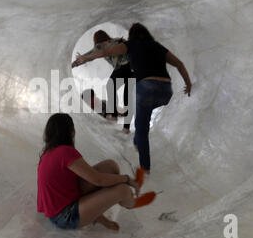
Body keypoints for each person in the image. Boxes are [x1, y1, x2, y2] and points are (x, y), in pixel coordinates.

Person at [72, 23, 192, 174]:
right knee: (131, 97)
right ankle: (131, 134)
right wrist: (188, 84)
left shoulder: (127, 44)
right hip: (165, 91)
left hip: (142, 83)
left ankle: (145, 169)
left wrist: (82, 59)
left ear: (132, 36)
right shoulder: (156, 45)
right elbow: (179, 64)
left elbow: (103, 52)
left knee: (140, 125)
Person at [37, 113, 155, 230]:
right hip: (65, 216)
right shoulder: (65, 152)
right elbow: (98, 180)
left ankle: (99, 210)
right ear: (71, 132)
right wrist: (127, 179)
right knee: (123, 190)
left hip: (61, 207)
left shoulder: (49, 153)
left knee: (110, 166)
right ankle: (131, 202)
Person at [76, 30, 135, 133]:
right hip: (134, 68)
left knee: (111, 86)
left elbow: (90, 55)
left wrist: (75, 63)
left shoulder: (100, 45)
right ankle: (126, 127)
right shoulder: (117, 40)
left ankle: (114, 115)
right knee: (127, 95)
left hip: (123, 66)